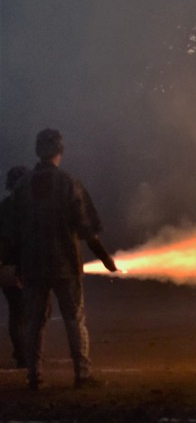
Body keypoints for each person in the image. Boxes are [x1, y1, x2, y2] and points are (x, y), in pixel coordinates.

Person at [11, 129, 117, 389]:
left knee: (35, 321)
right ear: (60, 150)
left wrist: (15, 265)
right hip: (65, 265)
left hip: (32, 266)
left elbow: (12, 231)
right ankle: (82, 375)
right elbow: (87, 230)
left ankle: (34, 377)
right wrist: (105, 258)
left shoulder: (22, 187)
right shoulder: (69, 183)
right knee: (74, 319)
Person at [0, 166, 29, 368]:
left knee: (16, 311)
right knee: (27, 312)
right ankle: (26, 355)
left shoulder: (3, 206)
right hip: (24, 265)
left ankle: (21, 354)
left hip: (5, 266)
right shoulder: (29, 207)